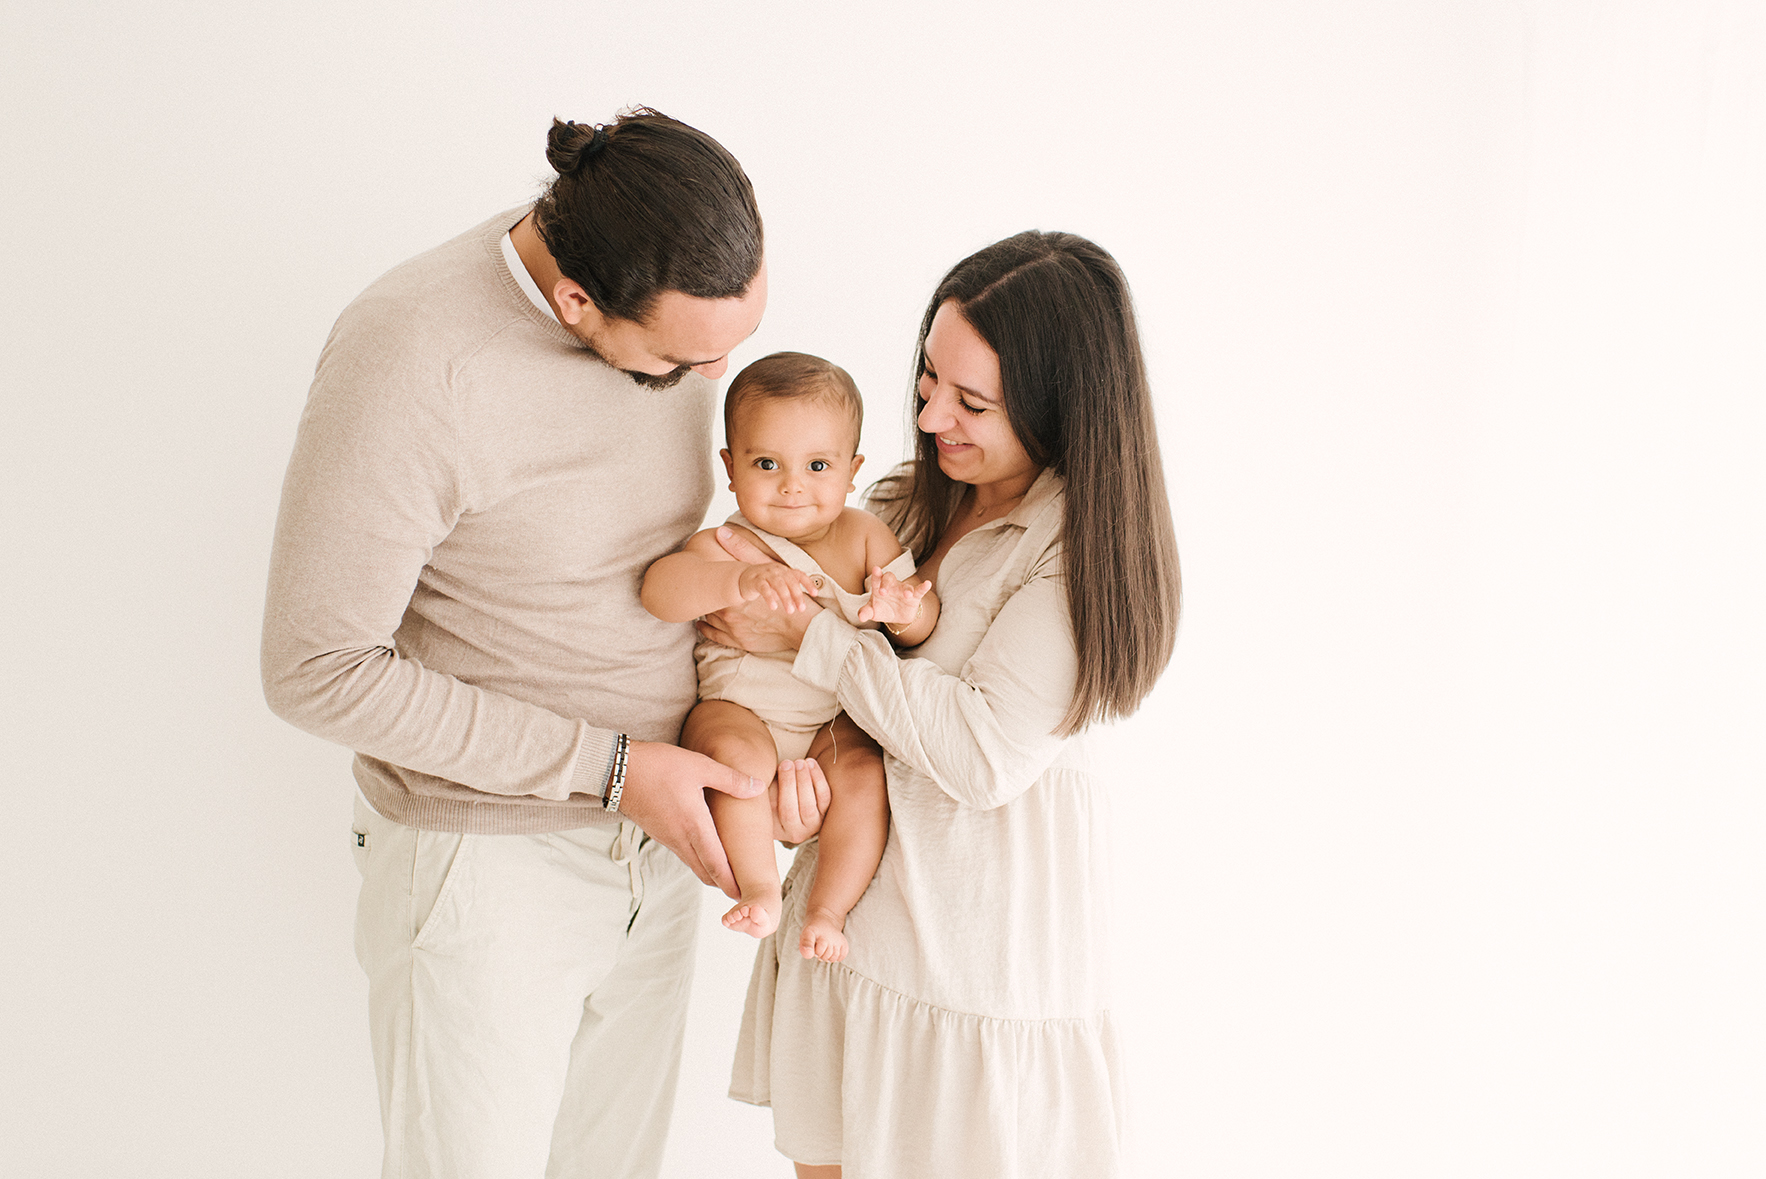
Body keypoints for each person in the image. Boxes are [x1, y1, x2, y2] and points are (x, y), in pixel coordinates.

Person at [260, 109, 769, 1179]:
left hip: (657, 849)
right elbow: (313, 668)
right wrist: (614, 769)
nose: (722, 373)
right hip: (487, 867)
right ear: (576, 304)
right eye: (689, 361)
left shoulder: (665, 288)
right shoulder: (411, 355)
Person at [699, 231, 1181, 1177]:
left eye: (972, 401)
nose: (932, 414)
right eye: (928, 379)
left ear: (1059, 405)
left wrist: (812, 639)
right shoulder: (893, 502)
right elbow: (828, 717)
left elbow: (982, 756)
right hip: (851, 950)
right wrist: (795, 798)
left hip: (976, 980)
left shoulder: (1076, 548)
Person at [640, 352, 939, 961]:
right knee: (733, 759)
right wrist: (734, 584)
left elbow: (922, 622)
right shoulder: (729, 543)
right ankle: (759, 887)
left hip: (833, 720)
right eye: (767, 463)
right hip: (741, 706)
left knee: (864, 774)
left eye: (818, 465)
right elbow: (660, 591)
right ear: (730, 467)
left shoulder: (865, 537)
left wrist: (903, 610)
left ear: (853, 470)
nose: (791, 485)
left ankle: (827, 911)